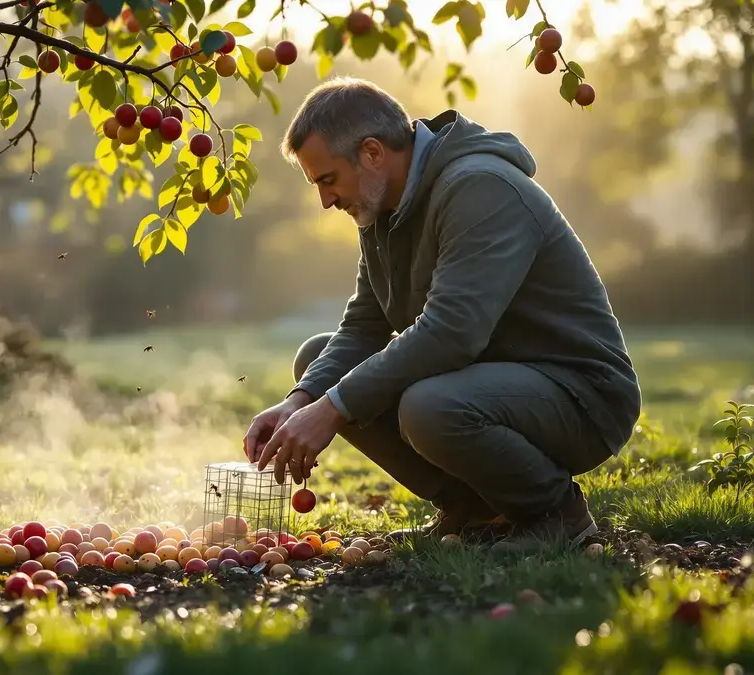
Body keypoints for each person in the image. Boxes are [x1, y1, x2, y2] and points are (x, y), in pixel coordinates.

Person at [242, 77, 642, 547]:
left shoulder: (479, 188)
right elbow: (364, 327)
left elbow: (453, 332)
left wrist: (332, 409)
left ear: (372, 153)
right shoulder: (381, 210)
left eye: (328, 180)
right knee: (318, 362)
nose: (325, 200)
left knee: (428, 406)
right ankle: (474, 509)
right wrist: (302, 400)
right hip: (489, 383)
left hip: (580, 397)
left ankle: (556, 513)